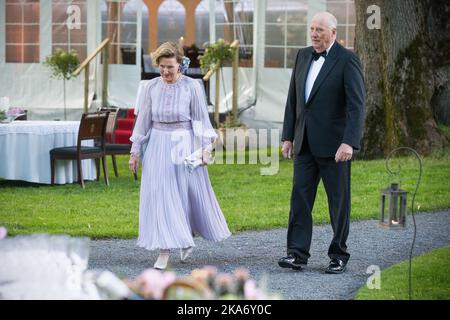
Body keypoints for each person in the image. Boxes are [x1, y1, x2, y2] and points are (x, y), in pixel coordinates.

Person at [128, 42, 231, 270]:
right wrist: (135, 152)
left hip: (184, 145)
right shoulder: (151, 87)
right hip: (156, 145)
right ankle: (164, 250)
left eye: (170, 67)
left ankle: (185, 237)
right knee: (160, 196)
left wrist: (206, 149)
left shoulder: (192, 87)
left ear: (180, 66)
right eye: (162, 67)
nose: (165, 72)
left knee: (184, 196)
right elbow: (143, 122)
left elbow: (202, 120)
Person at [279, 12, 365, 274]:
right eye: (312, 29)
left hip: (335, 147)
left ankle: (338, 254)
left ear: (333, 33)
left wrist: (349, 142)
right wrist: (288, 136)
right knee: (300, 200)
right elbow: (293, 99)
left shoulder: (347, 60)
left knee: (338, 203)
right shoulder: (303, 55)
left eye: (320, 30)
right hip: (304, 143)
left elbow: (356, 106)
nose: (314, 34)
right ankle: (297, 254)